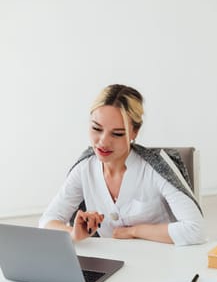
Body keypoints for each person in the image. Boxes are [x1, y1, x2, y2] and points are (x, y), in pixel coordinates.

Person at [39, 84, 206, 246]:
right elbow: (47, 221)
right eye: (96, 129)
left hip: (163, 262)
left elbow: (195, 230)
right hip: (114, 264)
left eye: (117, 134)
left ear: (135, 132)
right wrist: (73, 234)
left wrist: (134, 231)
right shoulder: (85, 168)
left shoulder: (156, 168)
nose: (103, 142)